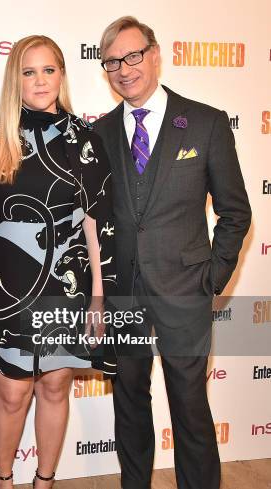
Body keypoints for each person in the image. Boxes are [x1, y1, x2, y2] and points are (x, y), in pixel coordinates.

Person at [93, 16, 251, 489]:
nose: (124, 69)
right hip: (124, 294)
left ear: (156, 54)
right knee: (130, 408)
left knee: (190, 408)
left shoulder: (205, 123)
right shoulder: (98, 135)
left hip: (186, 291)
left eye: (133, 56)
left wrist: (212, 279)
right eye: (112, 62)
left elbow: (236, 213)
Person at [0, 35, 115, 489]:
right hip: (6, 291)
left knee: (55, 386)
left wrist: (98, 295)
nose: (40, 80)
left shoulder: (84, 139)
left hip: (67, 288)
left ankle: (45, 482)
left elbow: (95, 226)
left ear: (62, 74)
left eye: (49, 70)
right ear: (15, 78)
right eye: (29, 71)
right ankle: (3, 480)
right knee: (11, 391)